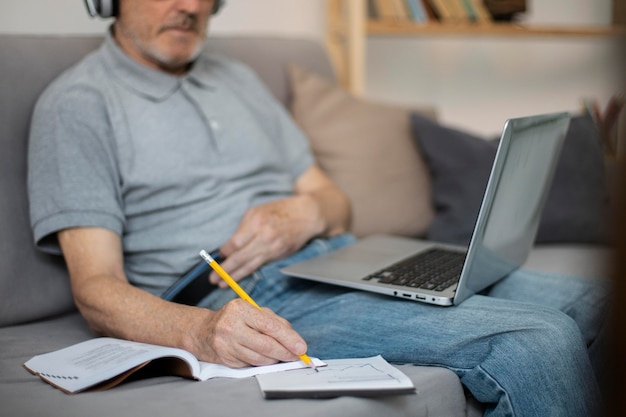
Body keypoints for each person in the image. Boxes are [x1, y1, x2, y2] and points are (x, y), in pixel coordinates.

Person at [28, 0, 608, 415]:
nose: (189, 7)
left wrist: (308, 213)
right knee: (536, 341)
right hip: (254, 295)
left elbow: (332, 198)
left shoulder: (237, 78)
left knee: (603, 302)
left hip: (344, 254)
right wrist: (201, 330)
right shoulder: (78, 105)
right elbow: (96, 288)